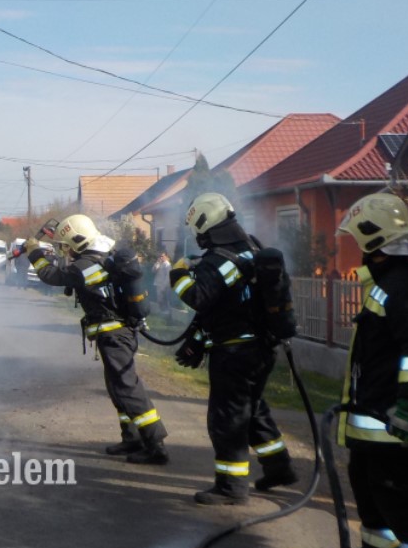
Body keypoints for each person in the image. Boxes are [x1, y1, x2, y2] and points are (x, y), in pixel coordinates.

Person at [169, 193, 297, 505]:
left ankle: (231, 487)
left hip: (237, 353)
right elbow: (222, 306)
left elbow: (199, 297)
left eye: (197, 230)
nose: (196, 237)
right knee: (251, 409)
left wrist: (177, 276)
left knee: (227, 418)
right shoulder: (250, 247)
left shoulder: (222, 259)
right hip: (260, 348)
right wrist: (198, 341)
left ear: (205, 224)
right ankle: (279, 467)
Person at [335, 192, 408, 548]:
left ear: (372, 238)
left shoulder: (407, 286)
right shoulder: (388, 280)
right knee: (373, 500)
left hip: (396, 424)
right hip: (375, 420)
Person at [22, 214, 170, 465]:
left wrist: (34, 252)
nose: (65, 251)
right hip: (116, 332)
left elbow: (51, 276)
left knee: (127, 387)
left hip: (114, 334)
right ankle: (131, 437)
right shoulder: (101, 256)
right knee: (117, 387)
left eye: (66, 245)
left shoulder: (85, 266)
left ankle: (155, 445)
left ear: (77, 242)